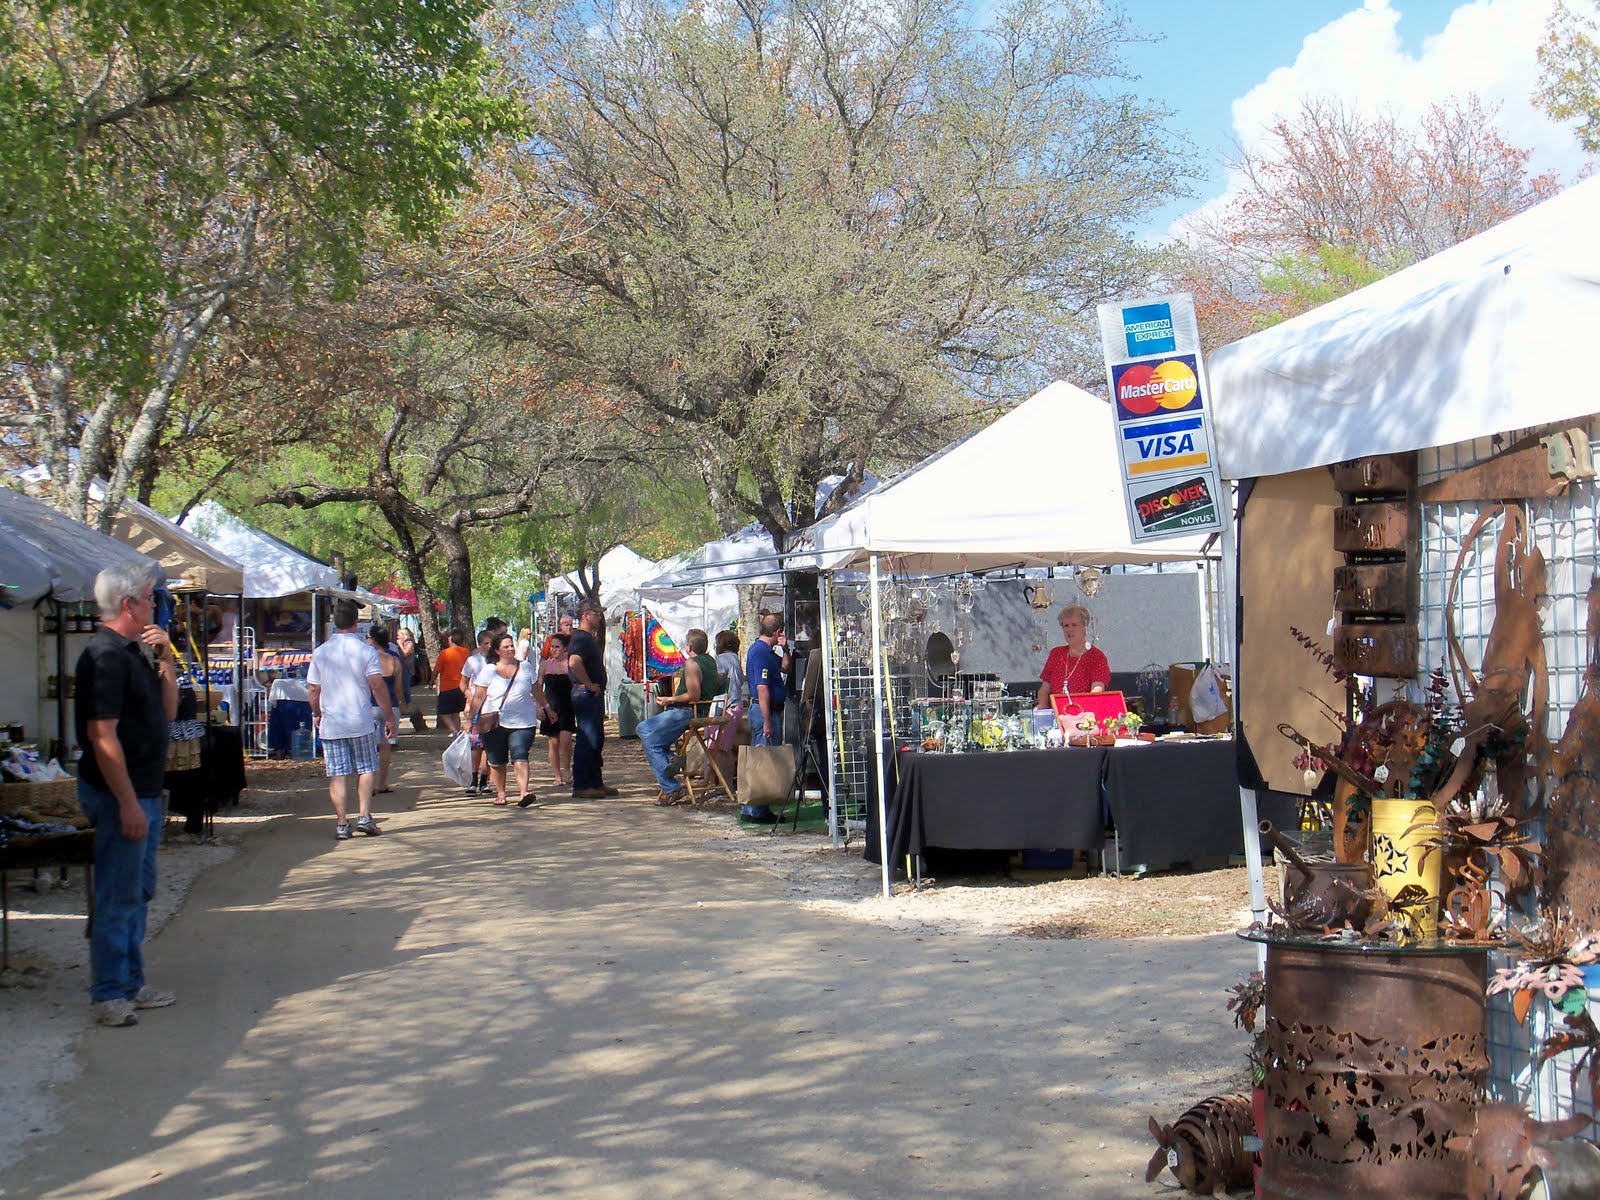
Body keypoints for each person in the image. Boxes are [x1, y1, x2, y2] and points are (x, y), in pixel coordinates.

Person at [74, 561, 181, 1028]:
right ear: (128, 604)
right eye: (150, 598)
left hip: (146, 790)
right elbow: (102, 735)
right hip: (123, 794)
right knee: (118, 895)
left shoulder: (134, 653)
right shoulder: (104, 657)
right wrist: (127, 802)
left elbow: (166, 714)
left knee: (138, 891)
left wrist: (167, 664)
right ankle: (109, 991)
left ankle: (131, 982)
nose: (155, 605)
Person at [308, 598, 396, 843]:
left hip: (332, 722)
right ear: (357, 623)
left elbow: (313, 688)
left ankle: (341, 823)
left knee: (337, 774)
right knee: (366, 767)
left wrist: (316, 713)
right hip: (360, 719)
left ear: (334, 622)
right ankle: (364, 816)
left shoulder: (321, 652)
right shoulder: (365, 651)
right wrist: (389, 717)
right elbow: (377, 686)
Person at [637, 628, 722, 805]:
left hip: (687, 711)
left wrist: (670, 698)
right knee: (643, 729)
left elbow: (693, 695)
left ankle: (672, 787)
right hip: (698, 709)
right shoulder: (710, 661)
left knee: (651, 743)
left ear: (688, 646)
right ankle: (671, 760)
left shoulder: (692, 663)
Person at [466, 631, 548, 807]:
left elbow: (536, 690)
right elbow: (478, 697)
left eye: (512, 645)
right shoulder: (489, 671)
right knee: (496, 760)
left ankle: (523, 792)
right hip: (494, 722)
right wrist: (470, 719)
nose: (511, 649)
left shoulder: (525, 667)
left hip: (523, 721)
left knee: (520, 755)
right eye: (506, 647)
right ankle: (501, 793)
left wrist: (546, 707)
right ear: (497, 650)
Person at [567, 600, 617, 799]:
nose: (599, 617)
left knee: (596, 739)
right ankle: (582, 784)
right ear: (586, 615)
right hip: (585, 694)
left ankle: (596, 782)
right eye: (596, 613)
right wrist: (588, 684)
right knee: (587, 739)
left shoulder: (588, 638)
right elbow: (574, 662)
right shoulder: (580, 638)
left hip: (591, 695)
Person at [1035, 604, 1111, 708]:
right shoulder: (1056, 654)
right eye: (1066, 625)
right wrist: (1041, 706)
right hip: (1056, 714)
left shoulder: (1096, 656)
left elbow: (1097, 690)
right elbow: (1045, 689)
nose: (1069, 629)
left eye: (1074, 625)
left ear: (1084, 627)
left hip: (1083, 714)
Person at [706, 629, 746, 778]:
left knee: (719, 748)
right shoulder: (735, 658)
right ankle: (725, 782)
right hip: (736, 705)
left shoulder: (721, 660)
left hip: (724, 707)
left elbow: (719, 679)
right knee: (725, 747)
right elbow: (741, 680)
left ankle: (723, 783)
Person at [367, 622, 403, 793]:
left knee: (370, 747)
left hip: (371, 705)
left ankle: (371, 784)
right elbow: (398, 688)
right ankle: (382, 783)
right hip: (392, 706)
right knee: (386, 747)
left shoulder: (368, 659)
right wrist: (402, 703)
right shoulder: (394, 661)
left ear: (373, 640)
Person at [746, 612, 790, 747]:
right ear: (778, 633)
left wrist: (786, 650)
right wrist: (767, 721)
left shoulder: (769, 652)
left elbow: (785, 667)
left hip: (771, 710)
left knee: (771, 756)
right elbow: (762, 688)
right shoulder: (761, 653)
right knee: (763, 757)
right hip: (764, 711)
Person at [461, 629, 495, 795]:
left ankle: (485, 780)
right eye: (486, 643)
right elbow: (463, 682)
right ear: (480, 644)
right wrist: (469, 695)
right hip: (477, 706)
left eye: (491, 643)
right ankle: (473, 780)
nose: (489, 646)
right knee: (476, 745)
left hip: (493, 707)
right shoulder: (473, 661)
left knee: (489, 746)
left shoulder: (498, 662)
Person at [540, 627, 575, 787]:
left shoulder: (570, 665)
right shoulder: (545, 665)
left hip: (567, 706)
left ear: (565, 648)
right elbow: (538, 687)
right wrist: (539, 706)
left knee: (566, 740)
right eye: (552, 647)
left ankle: (567, 768)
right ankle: (557, 775)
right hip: (550, 707)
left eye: (557, 647)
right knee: (553, 742)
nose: (554, 650)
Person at [434, 628, 471, 734]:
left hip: (447, 687)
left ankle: (454, 731)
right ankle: (457, 732)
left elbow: (437, 670)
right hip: (462, 687)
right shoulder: (466, 652)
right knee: (455, 713)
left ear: (450, 639)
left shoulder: (444, 653)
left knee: (443, 712)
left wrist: (431, 681)